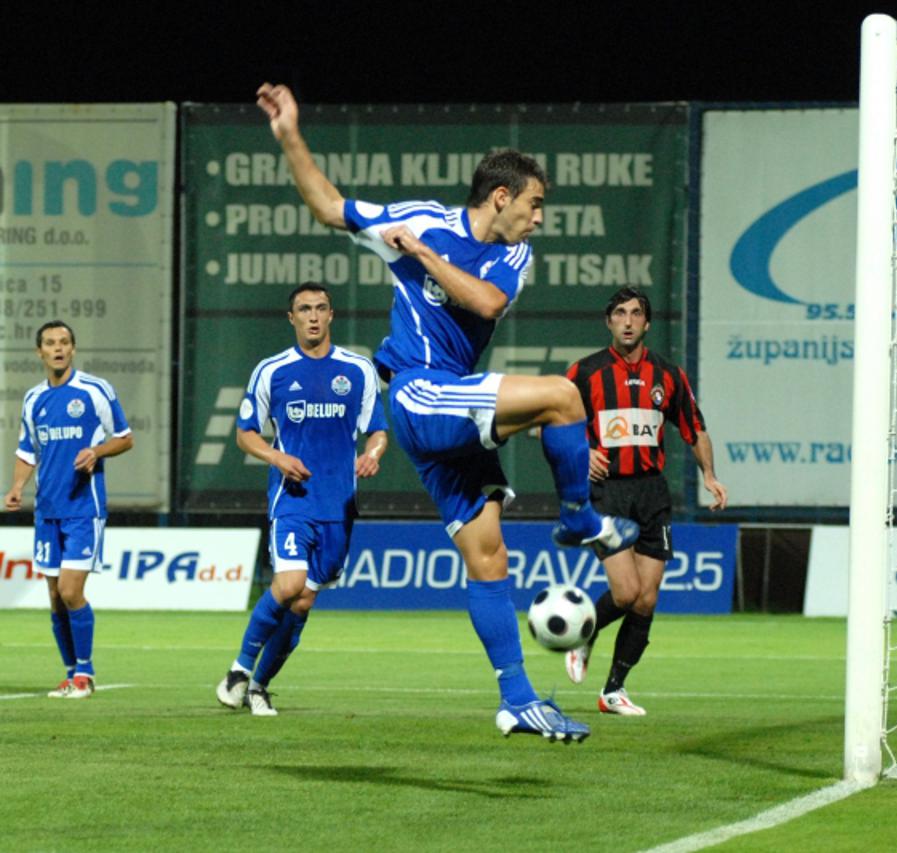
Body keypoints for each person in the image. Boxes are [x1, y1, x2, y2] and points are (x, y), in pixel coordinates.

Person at [255, 83, 637, 743]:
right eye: (535, 204)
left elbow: (486, 303)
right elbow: (325, 204)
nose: (539, 218)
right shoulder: (422, 219)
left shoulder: (510, 253)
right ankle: (577, 518)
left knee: (490, 559)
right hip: (417, 394)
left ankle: (515, 698)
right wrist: (290, 133)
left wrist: (423, 255)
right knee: (564, 396)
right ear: (501, 197)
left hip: (449, 403)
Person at [215, 282, 388, 716]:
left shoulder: (358, 369)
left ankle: (259, 685)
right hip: (292, 500)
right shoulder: (272, 370)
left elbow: (378, 430)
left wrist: (373, 454)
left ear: (331, 315)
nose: (313, 316)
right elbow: (244, 433)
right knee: (289, 585)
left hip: (339, 506)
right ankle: (238, 669)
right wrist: (276, 456)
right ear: (291, 318)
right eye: (304, 309)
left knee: (304, 602)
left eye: (320, 308)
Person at [562, 287, 727, 716]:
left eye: (637, 313)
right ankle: (584, 632)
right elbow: (552, 420)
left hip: (652, 492)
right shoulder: (585, 372)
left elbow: (695, 428)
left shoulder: (669, 375)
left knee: (647, 599)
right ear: (609, 322)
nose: (629, 320)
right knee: (627, 590)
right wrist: (585, 453)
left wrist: (708, 474)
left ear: (647, 323)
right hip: (609, 492)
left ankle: (612, 690)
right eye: (620, 313)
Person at [4, 321, 133, 699]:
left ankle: (86, 673)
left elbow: (125, 438)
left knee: (71, 589)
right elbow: (28, 451)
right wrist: (15, 487)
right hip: (47, 511)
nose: (57, 349)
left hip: (83, 508)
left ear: (73, 349)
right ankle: (70, 673)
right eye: (50, 343)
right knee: (55, 596)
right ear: (39, 352)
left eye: (64, 342)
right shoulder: (33, 399)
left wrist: (97, 451)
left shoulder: (93, 391)